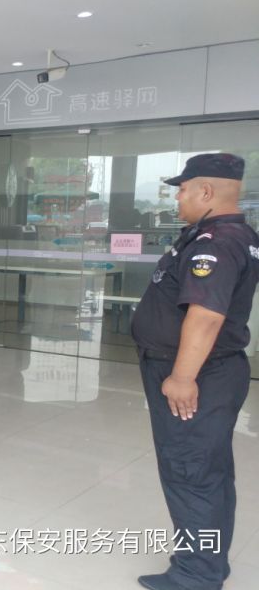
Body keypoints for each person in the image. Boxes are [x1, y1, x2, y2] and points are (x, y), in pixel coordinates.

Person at [130, 153, 258, 590]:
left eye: (183, 189)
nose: (178, 198)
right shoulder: (230, 235)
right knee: (209, 470)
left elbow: (205, 317)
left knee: (190, 471)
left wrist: (182, 377)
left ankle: (196, 575)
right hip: (214, 370)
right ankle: (208, 561)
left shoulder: (214, 242)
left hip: (199, 374)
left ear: (206, 191)